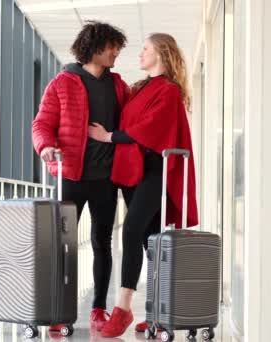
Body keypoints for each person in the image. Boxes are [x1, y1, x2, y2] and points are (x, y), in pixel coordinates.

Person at [87, 33, 199, 338]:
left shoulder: (169, 91)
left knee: (133, 230)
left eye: (145, 49)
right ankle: (157, 313)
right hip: (136, 171)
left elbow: (146, 130)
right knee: (151, 241)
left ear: (160, 53)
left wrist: (107, 136)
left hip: (155, 171)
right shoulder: (140, 88)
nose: (140, 54)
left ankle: (123, 308)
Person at [31, 21, 129, 332]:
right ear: (96, 48)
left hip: (105, 180)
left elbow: (131, 123)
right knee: (64, 245)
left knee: (102, 242)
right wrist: (45, 146)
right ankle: (60, 309)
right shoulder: (62, 83)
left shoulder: (118, 86)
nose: (116, 53)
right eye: (112, 47)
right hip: (70, 177)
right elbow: (41, 124)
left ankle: (98, 308)